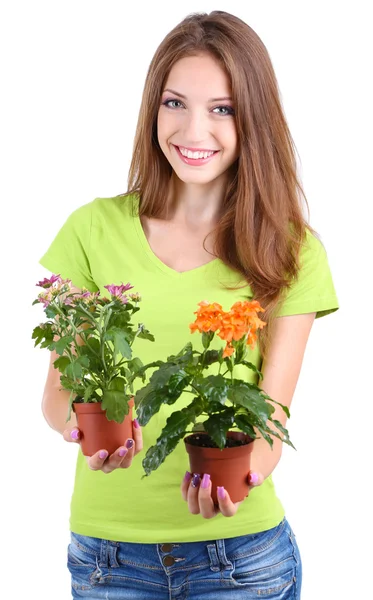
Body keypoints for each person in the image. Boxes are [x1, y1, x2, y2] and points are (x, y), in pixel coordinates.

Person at [39, 10, 338, 599]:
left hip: (241, 562)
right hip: (108, 559)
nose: (192, 130)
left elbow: (269, 423)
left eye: (221, 109)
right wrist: (87, 431)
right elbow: (57, 397)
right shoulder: (91, 229)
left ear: (254, 119)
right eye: (175, 103)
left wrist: (240, 480)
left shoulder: (289, 249)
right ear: (154, 108)